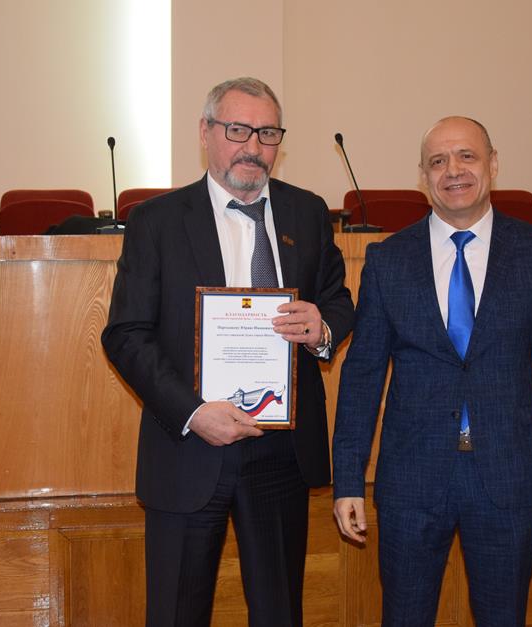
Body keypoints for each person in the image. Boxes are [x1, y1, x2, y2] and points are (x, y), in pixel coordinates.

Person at [102, 77, 354, 627]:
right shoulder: (157, 221)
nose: (253, 147)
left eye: (267, 133)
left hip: (280, 452)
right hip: (188, 448)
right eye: (237, 130)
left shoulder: (307, 212)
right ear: (205, 132)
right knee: (176, 614)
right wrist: (194, 413)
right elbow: (125, 333)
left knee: (280, 613)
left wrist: (323, 328)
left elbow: (338, 299)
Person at [332, 116, 532, 626]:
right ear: (423, 177)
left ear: (493, 164)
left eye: (467, 156)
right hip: (411, 480)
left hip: (507, 476)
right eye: (438, 161)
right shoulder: (388, 260)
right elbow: (362, 377)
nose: (453, 170)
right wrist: (347, 480)